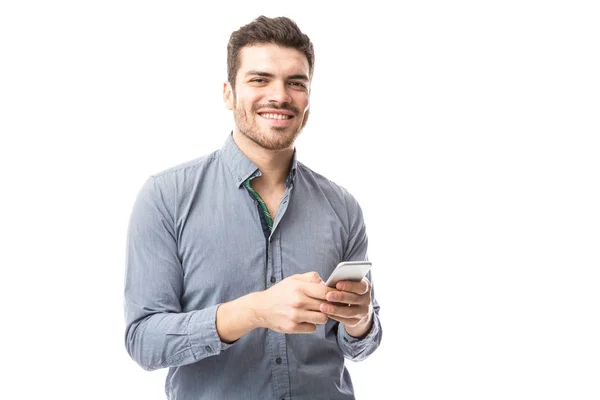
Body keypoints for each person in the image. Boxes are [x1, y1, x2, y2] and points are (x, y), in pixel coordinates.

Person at [124, 15, 382, 400]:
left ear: (308, 101)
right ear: (228, 93)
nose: (280, 95)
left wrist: (360, 320)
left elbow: (359, 344)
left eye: (296, 83)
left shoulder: (342, 207)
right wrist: (253, 312)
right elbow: (143, 340)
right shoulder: (166, 197)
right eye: (259, 79)